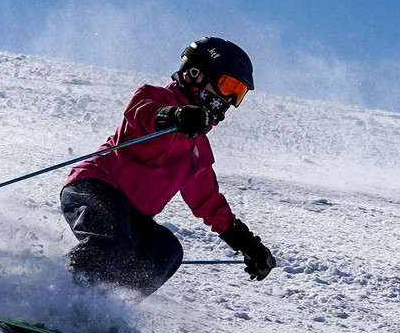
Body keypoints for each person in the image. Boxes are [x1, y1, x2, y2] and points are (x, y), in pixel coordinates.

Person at [61, 37, 276, 296]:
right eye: (227, 85)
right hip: (95, 187)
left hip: (133, 216)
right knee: (111, 243)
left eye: (237, 93)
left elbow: (209, 203)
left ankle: (105, 311)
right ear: (197, 74)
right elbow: (141, 113)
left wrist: (248, 245)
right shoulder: (155, 97)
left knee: (165, 250)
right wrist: (174, 116)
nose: (228, 100)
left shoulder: (198, 150)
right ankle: (57, 295)